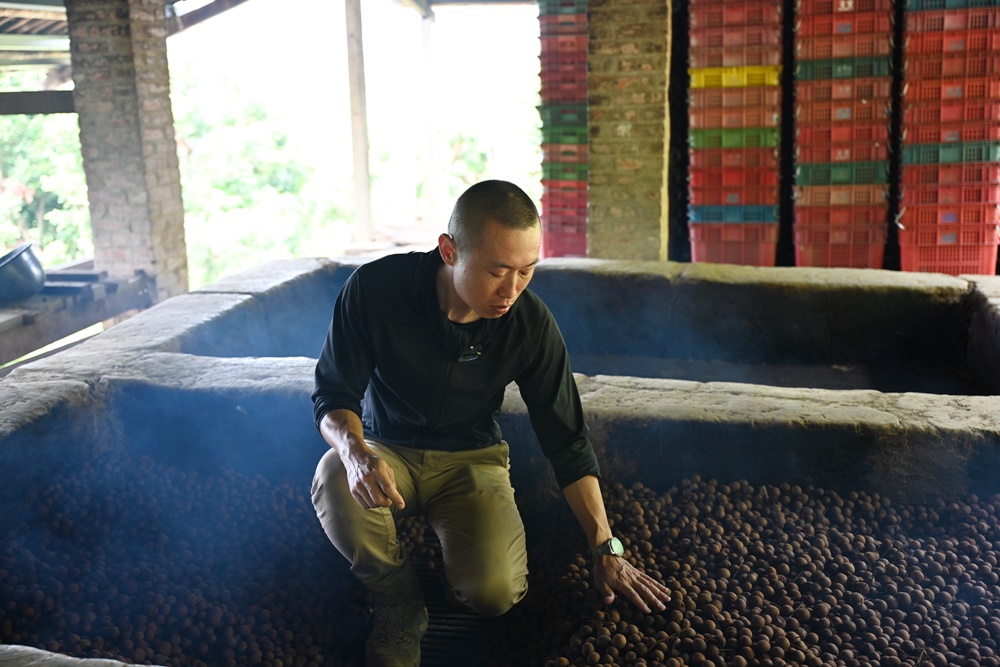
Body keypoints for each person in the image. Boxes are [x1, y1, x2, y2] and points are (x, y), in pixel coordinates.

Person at [310, 179, 670, 667]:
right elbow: (333, 392)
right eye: (497, 271)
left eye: (527, 271)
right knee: (334, 474)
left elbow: (566, 437)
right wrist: (355, 454)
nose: (512, 290)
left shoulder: (531, 324)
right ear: (449, 250)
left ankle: (457, 572)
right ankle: (398, 602)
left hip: (470, 459)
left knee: (493, 592)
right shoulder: (376, 290)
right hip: (385, 448)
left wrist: (606, 545)